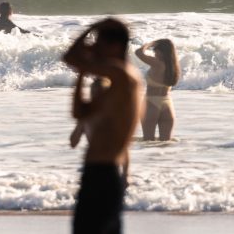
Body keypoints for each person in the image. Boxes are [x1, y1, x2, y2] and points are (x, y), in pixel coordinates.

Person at [62, 18, 141, 234]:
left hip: (105, 175)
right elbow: (78, 112)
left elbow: (69, 56)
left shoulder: (124, 75)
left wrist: (90, 29)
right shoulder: (109, 92)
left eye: (99, 43)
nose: (95, 47)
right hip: (94, 173)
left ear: (115, 46)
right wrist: (81, 73)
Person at [135, 38, 181, 141]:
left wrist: (149, 43)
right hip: (168, 104)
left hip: (151, 103)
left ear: (161, 51)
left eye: (155, 50)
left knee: (148, 142)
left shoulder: (157, 63)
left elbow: (138, 52)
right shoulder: (173, 67)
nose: (154, 53)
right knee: (165, 143)